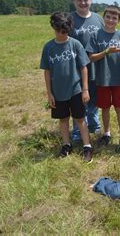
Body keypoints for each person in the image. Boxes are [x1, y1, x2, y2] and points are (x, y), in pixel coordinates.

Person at [40, 12, 93, 162]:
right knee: (63, 119)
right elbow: (47, 71)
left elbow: (84, 68)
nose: (62, 34)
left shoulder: (75, 44)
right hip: (58, 92)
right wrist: (49, 93)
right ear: (53, 27)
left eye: (65, 31)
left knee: (80, 119)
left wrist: (85, 89)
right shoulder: (48, 47)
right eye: (59, 31)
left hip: (76, 90)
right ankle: (66, 144)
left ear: (69, 29)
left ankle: (87, 146)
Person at [86, 5, 120, 150]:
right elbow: (92, 57)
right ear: (103, 18)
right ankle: (106, 133)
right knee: (105, 108)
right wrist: (106, 51)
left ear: (118, 20)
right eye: (108, 17)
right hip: (102, 78)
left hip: (118, 78)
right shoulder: (96, 35)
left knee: (119, 107)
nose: (111, 20)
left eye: (114, 18)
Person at [69, 0, 102, 141]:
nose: (83, 3)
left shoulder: (98, 19)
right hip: (76, 68)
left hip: (95, 66)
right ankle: (77, 132)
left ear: (91, 0)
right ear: (73, 1)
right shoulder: (70, 20)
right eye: (79, 0)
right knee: (78, 99)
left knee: (94, 97)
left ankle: (94, 126)